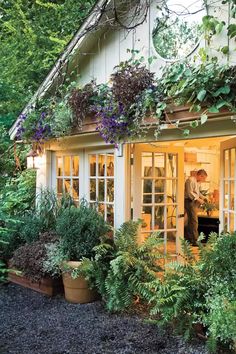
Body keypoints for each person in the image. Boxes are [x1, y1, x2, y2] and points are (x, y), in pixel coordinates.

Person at [184, 169, 208, 246]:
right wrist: (199, 200)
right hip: (189, 201)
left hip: (193, 202)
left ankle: (189, 239)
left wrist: (204, 197)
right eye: (203, 178)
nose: (203, 180)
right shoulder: (190, 180)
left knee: (191, 221)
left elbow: (197, 193)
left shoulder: (196, 182)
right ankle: (195, 241)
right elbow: (190, 192)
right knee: (194, 221)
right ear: (200, 176)